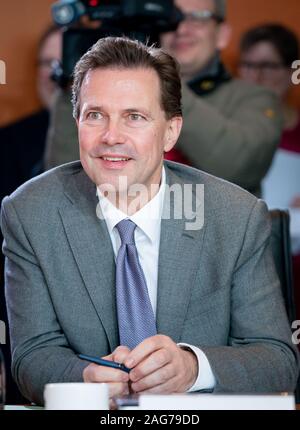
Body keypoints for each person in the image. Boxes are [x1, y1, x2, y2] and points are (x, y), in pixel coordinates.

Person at [1, 37, 298, 407]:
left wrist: (193, 368)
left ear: (170, 131)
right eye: (95, 115)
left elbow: (277, 361)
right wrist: (83, 377)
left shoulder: (234, 216)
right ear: (77, 121)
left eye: (134, 117)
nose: (111, 137)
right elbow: (31, 357)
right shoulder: (30, 212)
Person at [239, 23, 300, 318]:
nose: (257, 76)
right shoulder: (225, 134)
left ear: (291, 72)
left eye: (268, 65)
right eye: (249, 65)